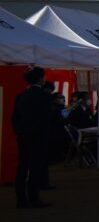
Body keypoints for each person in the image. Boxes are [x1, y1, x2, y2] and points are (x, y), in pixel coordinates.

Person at [13, 66, 55, 208]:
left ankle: (20, 198)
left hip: (24, 136)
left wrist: (19, 131)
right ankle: (34, 197)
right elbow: (47, 117)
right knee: (36, 167)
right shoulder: (45, 96)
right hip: (39, 136)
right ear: (41, 79)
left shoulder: (20, 96)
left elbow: (15, 117)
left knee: (22, 167)